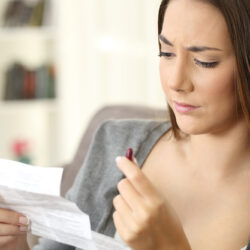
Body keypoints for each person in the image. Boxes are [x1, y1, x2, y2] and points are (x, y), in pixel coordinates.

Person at [0, 0, 249, 249]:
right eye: (167, 53)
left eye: (205, 61)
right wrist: (15, 244)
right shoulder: (115, 143)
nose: (175, 81)